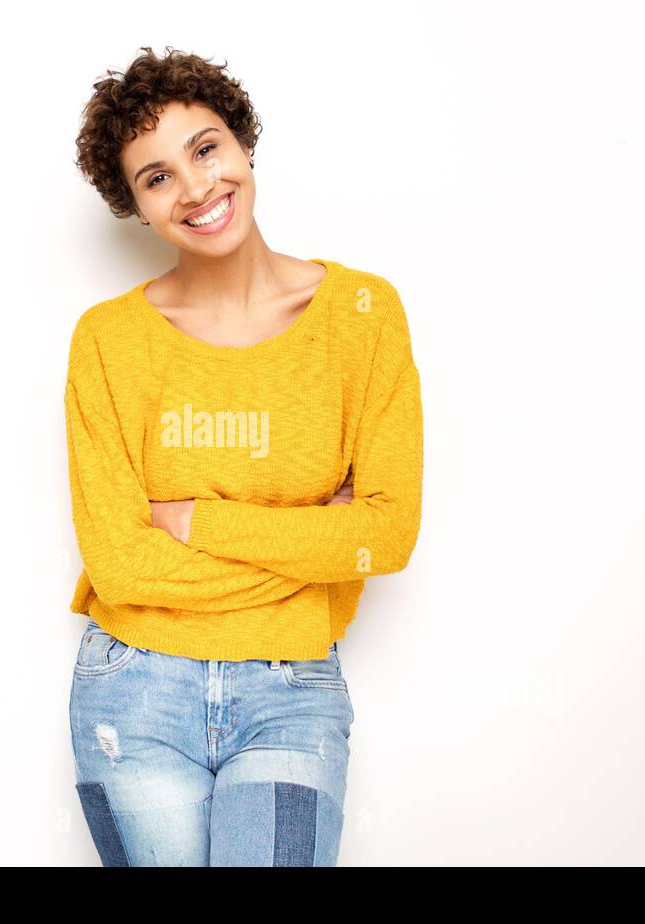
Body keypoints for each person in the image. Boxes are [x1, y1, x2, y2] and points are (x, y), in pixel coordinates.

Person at [65, 46, 423, 865]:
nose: (195, 188)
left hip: (290, 686)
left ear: (243, 145)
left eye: (205, 148)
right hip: (133, 685)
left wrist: (196, 520)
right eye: (156, 177)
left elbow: (389, 535)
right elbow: (120, 568)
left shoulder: (363, 316)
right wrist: (316, 546)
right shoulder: (107, 342)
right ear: (136, 206)